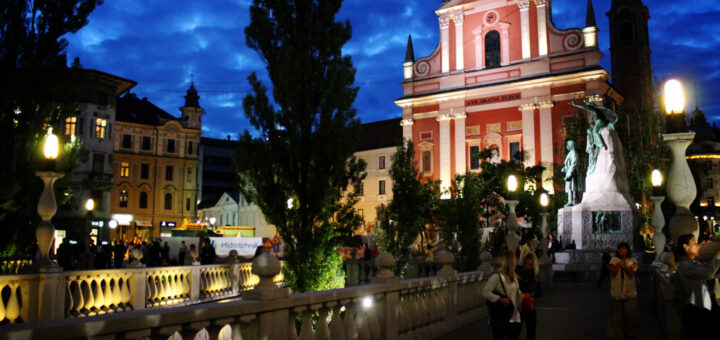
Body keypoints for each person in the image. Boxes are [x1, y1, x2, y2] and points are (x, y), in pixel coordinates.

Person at [675, 234, 720, 339]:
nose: (698, 246)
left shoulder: (694, 262)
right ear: (685, 247)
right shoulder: (685, 266)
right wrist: (717, 256)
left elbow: (711, 273)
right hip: (696, 311)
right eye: (695, 243)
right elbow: (708, 273)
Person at [484, 250, 524, 340]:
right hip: (502, 316)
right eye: (514, 261)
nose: (516, 263)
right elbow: (486, 292)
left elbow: (516, 291)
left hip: (515, 315)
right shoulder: (496, 277)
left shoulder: (514, 277)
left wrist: (522, 295)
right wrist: (499, 299)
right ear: (509, 263)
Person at [607, 242, 638, 340]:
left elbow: (631, 273)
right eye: (620, 248)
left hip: (630, 294)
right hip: (616, 293)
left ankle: (630, 334)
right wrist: (618, 265)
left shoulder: (632, 261)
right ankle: (618, 335)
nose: (621, 250)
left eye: (624, 248)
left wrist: (624, 265)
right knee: (616, 317)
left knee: (630, 315)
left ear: (627, 250)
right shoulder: (613, 260)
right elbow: (612, 272)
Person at [516, 252, 540, 340]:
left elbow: (538, 291)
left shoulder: (535, 275)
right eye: (527, 264)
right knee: (515, 331)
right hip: (519, 305)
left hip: (530, 304)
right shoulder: (519, 271)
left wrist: (531, 294)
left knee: (531, 331)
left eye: (531, 264)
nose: (529, 266)